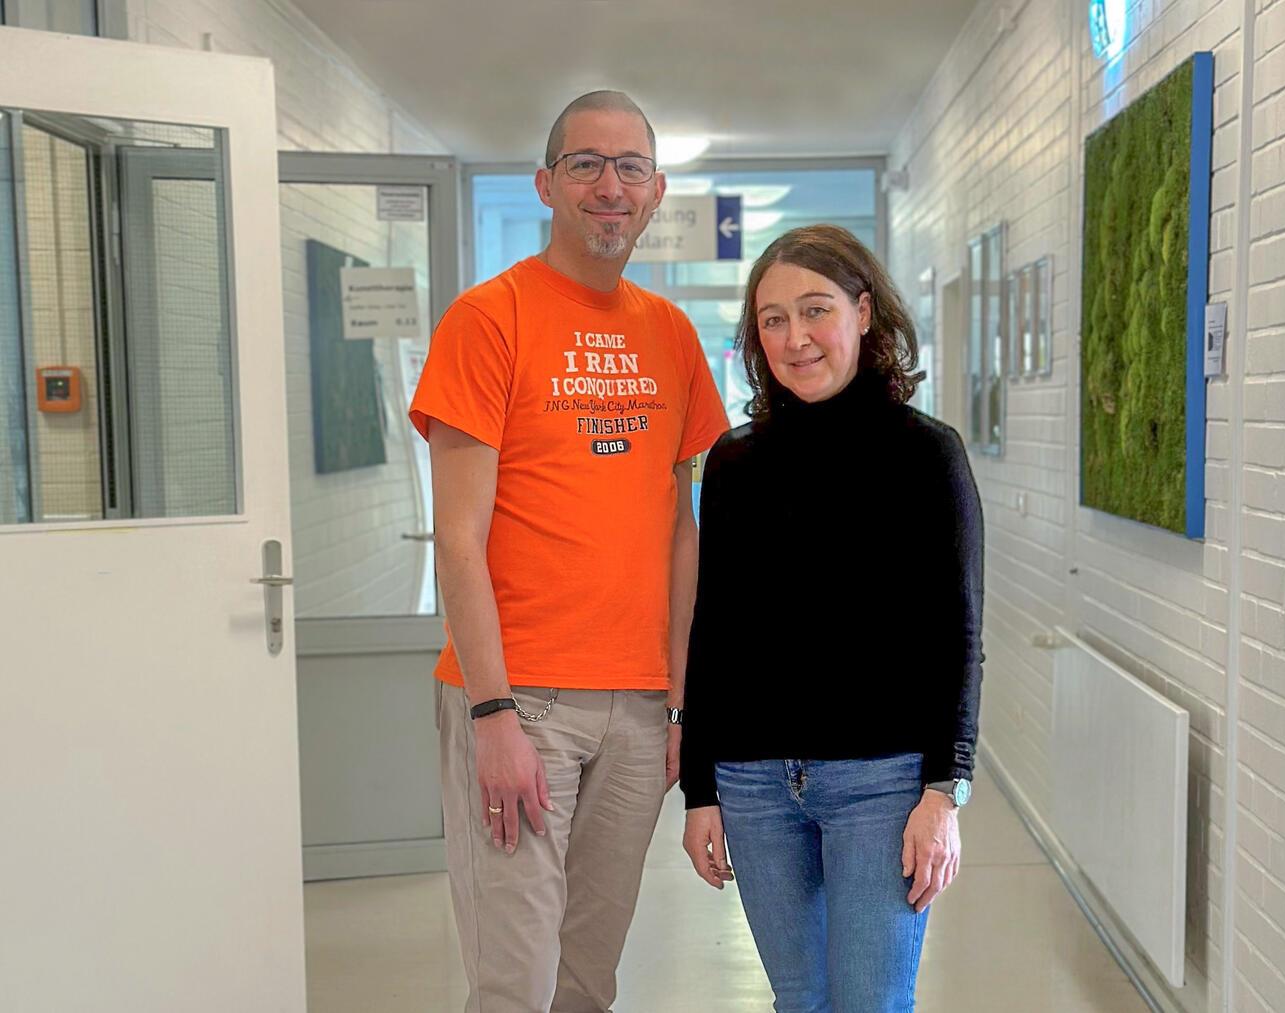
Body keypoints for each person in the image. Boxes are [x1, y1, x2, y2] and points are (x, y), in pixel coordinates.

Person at [409, 90, 729, 1013]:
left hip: (635, 708)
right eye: (585, 164)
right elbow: (458, 540)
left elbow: (679, 528)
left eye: (630, 166)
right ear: (546, 184)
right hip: (523, 699)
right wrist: (491, 710)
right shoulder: (490, 318)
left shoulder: (670, 336)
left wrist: (679, 703)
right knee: (517, 981)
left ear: (657, 190)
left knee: (589, 980)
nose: (609, 186)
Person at [679, 224, 984, 1012]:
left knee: (868, 1002)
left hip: (881, 783)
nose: (795, 336)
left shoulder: (927, 455)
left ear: (863, 312)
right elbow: (714, 631)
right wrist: (700, 789)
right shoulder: (736, 462)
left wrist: (943, 791)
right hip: (753, 785)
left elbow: (959, 633)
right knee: (801, 1000)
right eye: (772, 319)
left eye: (815, 310)